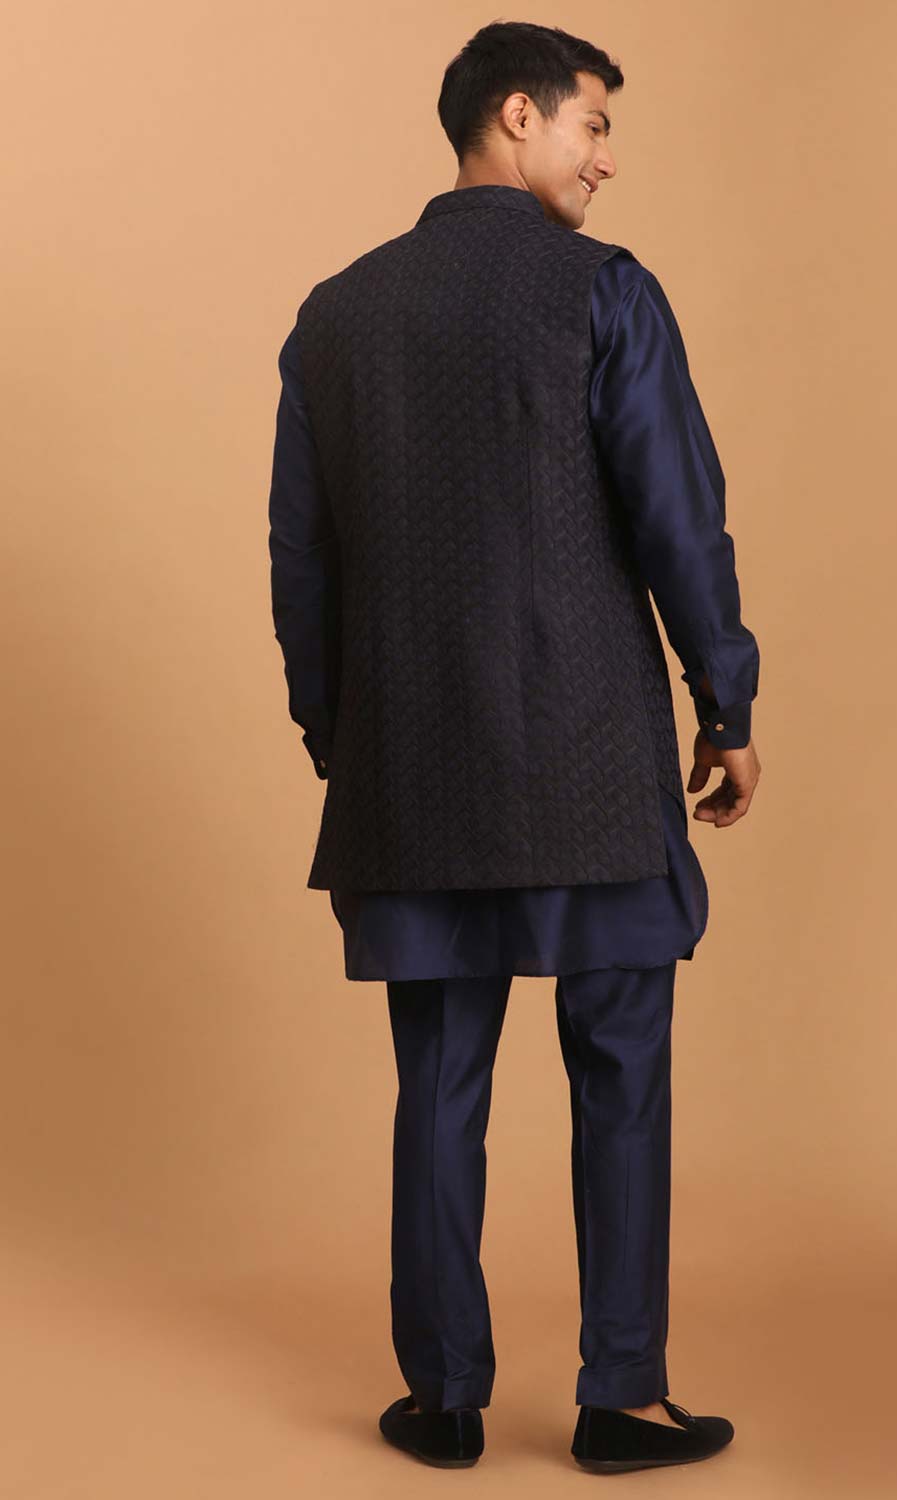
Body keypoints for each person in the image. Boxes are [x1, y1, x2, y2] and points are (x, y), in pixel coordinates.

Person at [267, 20, 761, 1474]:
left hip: (410, 772)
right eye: (594, 126)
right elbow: (678, 518)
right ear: (519, 116)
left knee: (439, 1082)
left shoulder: (336, 315)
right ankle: (623, 1397)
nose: (606, 162)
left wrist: (340, 735)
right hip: (590, 758)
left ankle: (442, 1400)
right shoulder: (605, 292)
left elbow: (303, 562)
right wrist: (725, 702)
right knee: (623, 1072)